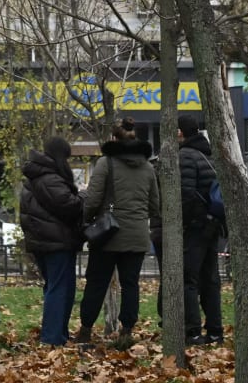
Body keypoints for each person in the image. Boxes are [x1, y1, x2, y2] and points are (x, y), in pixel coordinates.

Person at [76, 119, 158, 348]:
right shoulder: (148, 167)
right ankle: (127, 330)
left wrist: (87, 218)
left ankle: (85, 330)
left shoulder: (106, 163)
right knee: (130, 284)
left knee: (96, 283)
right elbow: (155, 205)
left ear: (114, 138)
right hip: (137, 235)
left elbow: (92, 200)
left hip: (107, 235)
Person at [17, 136, 84, 347]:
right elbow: (68, 205)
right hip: (56, 243)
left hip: (42, 241)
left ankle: (57, 334)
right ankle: (53, 338)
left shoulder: (36, 176)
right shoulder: (50, 178)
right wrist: (85, 195)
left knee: (55, 287)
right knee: (59, 288)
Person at [174, 114, 225, 345]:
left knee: (189, 279)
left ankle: (192, 331)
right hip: (213, 224)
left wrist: (183, 222)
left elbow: (186, 194)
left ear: (180, 132)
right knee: (210, 279)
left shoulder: (185, 156)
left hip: (195, 227)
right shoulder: (210, 155)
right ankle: (215, 331)